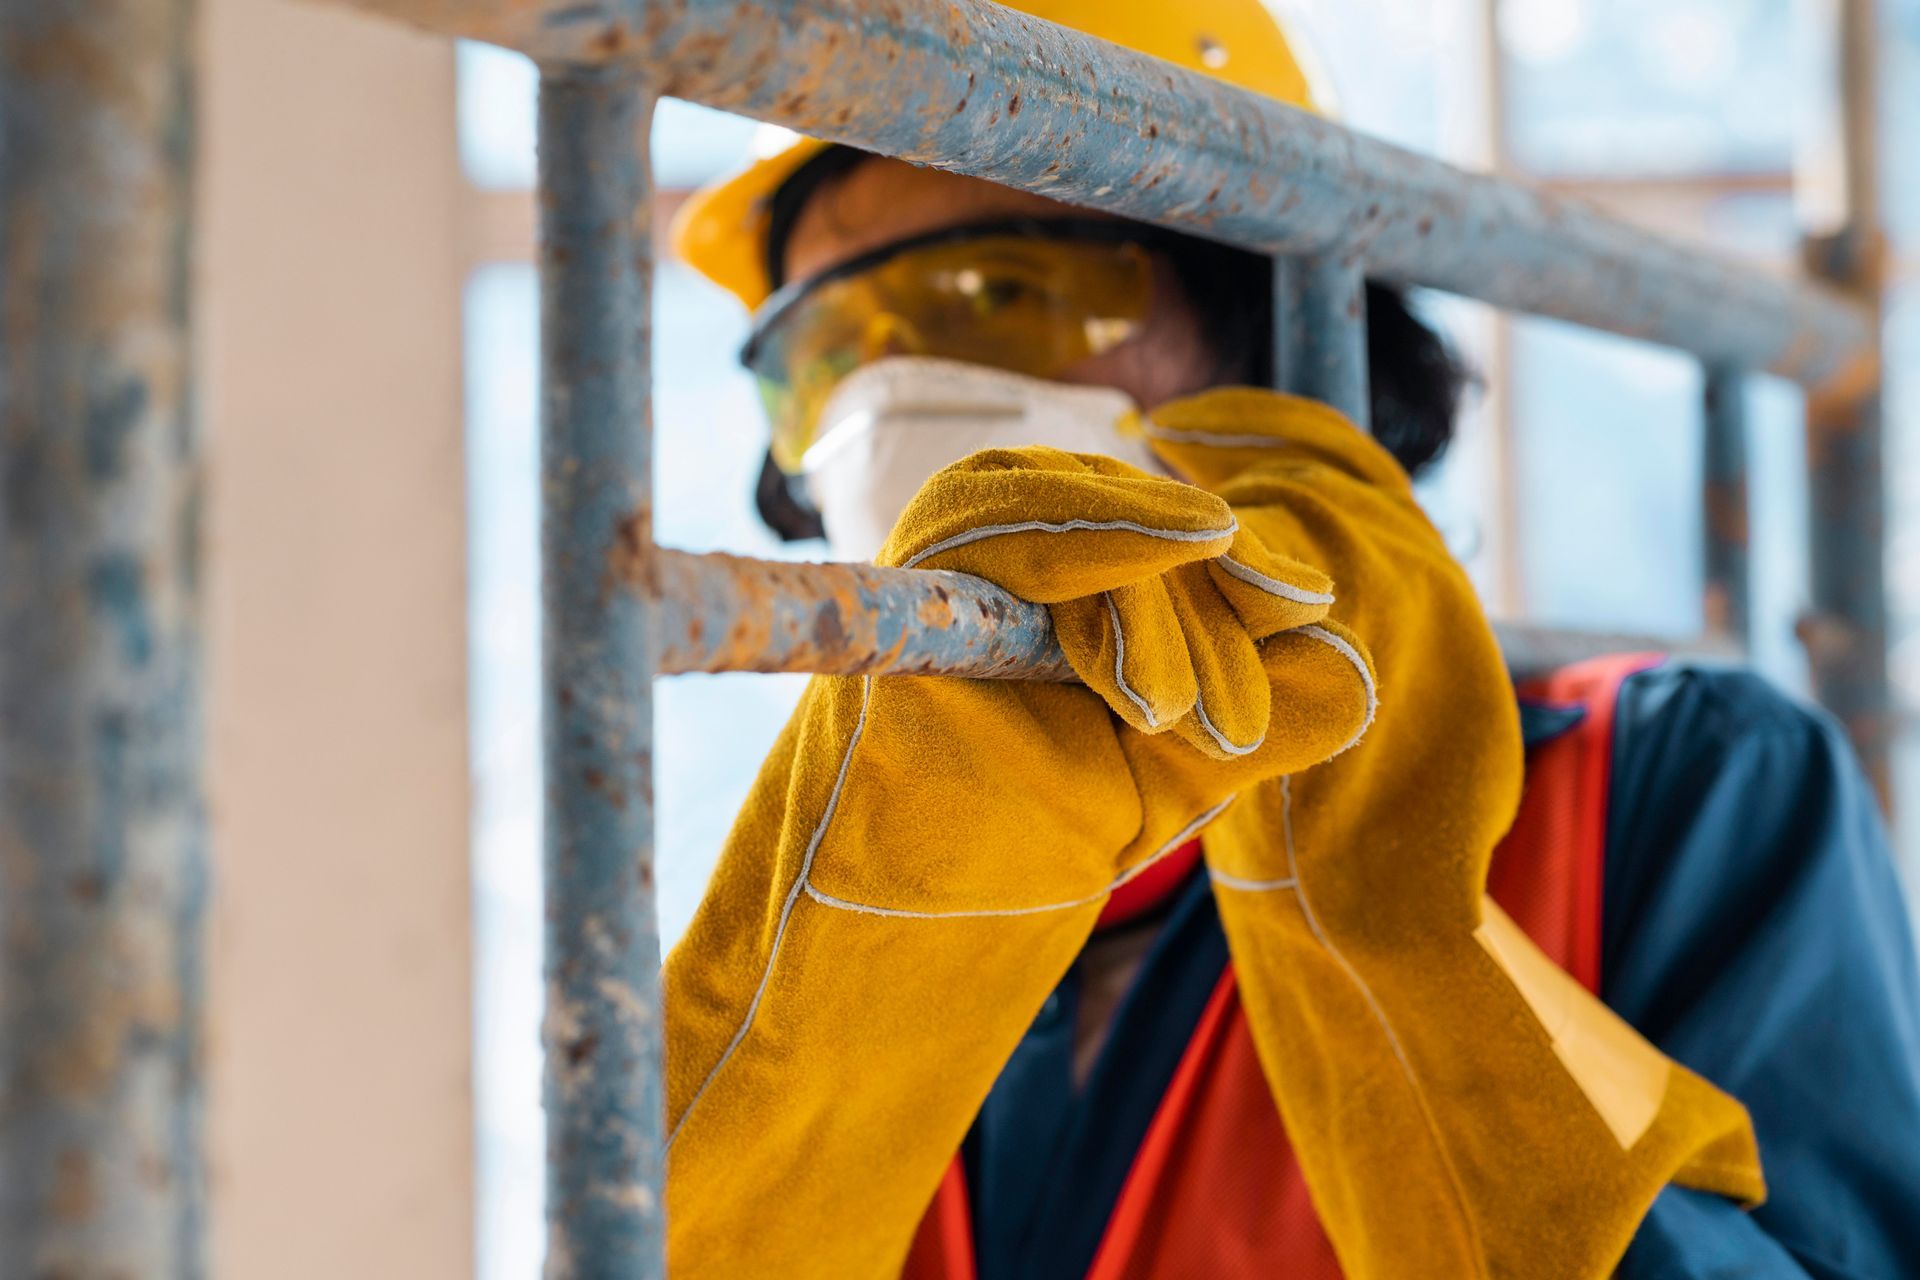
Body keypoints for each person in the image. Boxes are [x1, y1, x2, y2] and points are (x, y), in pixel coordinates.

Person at [660, 3, 1920, 1277]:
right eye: (822, 358)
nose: (888, 400)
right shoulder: (841, 882)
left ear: (1257, 328)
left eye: (999, 294)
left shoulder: (1662, 782)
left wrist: (1403, 950)